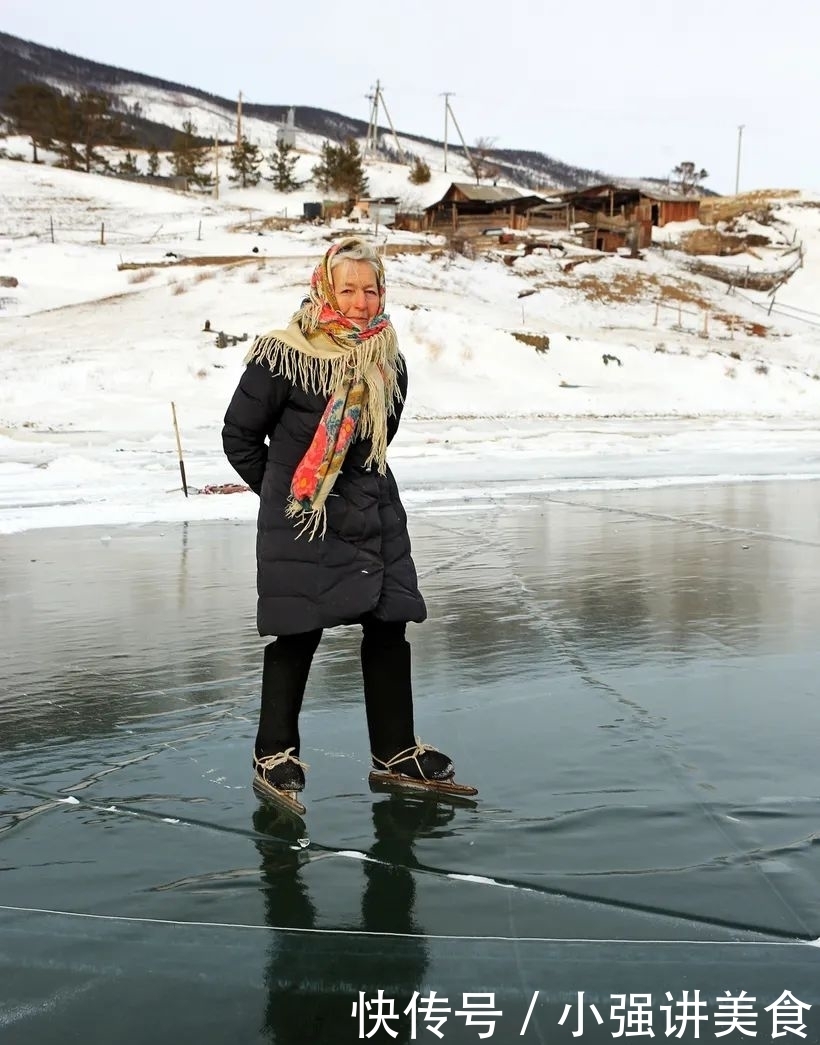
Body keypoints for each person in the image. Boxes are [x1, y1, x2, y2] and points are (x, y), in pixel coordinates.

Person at [222, 237, 474, 811]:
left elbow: (381, 437)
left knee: (389, 625)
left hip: (373, 510)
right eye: (348, 290)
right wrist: (290, 497)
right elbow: (239, 436)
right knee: (297, 629)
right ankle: (274, 753)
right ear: (324, 289)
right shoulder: (283, 355)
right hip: (307, 519)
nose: (361, 302)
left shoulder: (389, 360)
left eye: (371, 289)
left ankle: (395, 752)